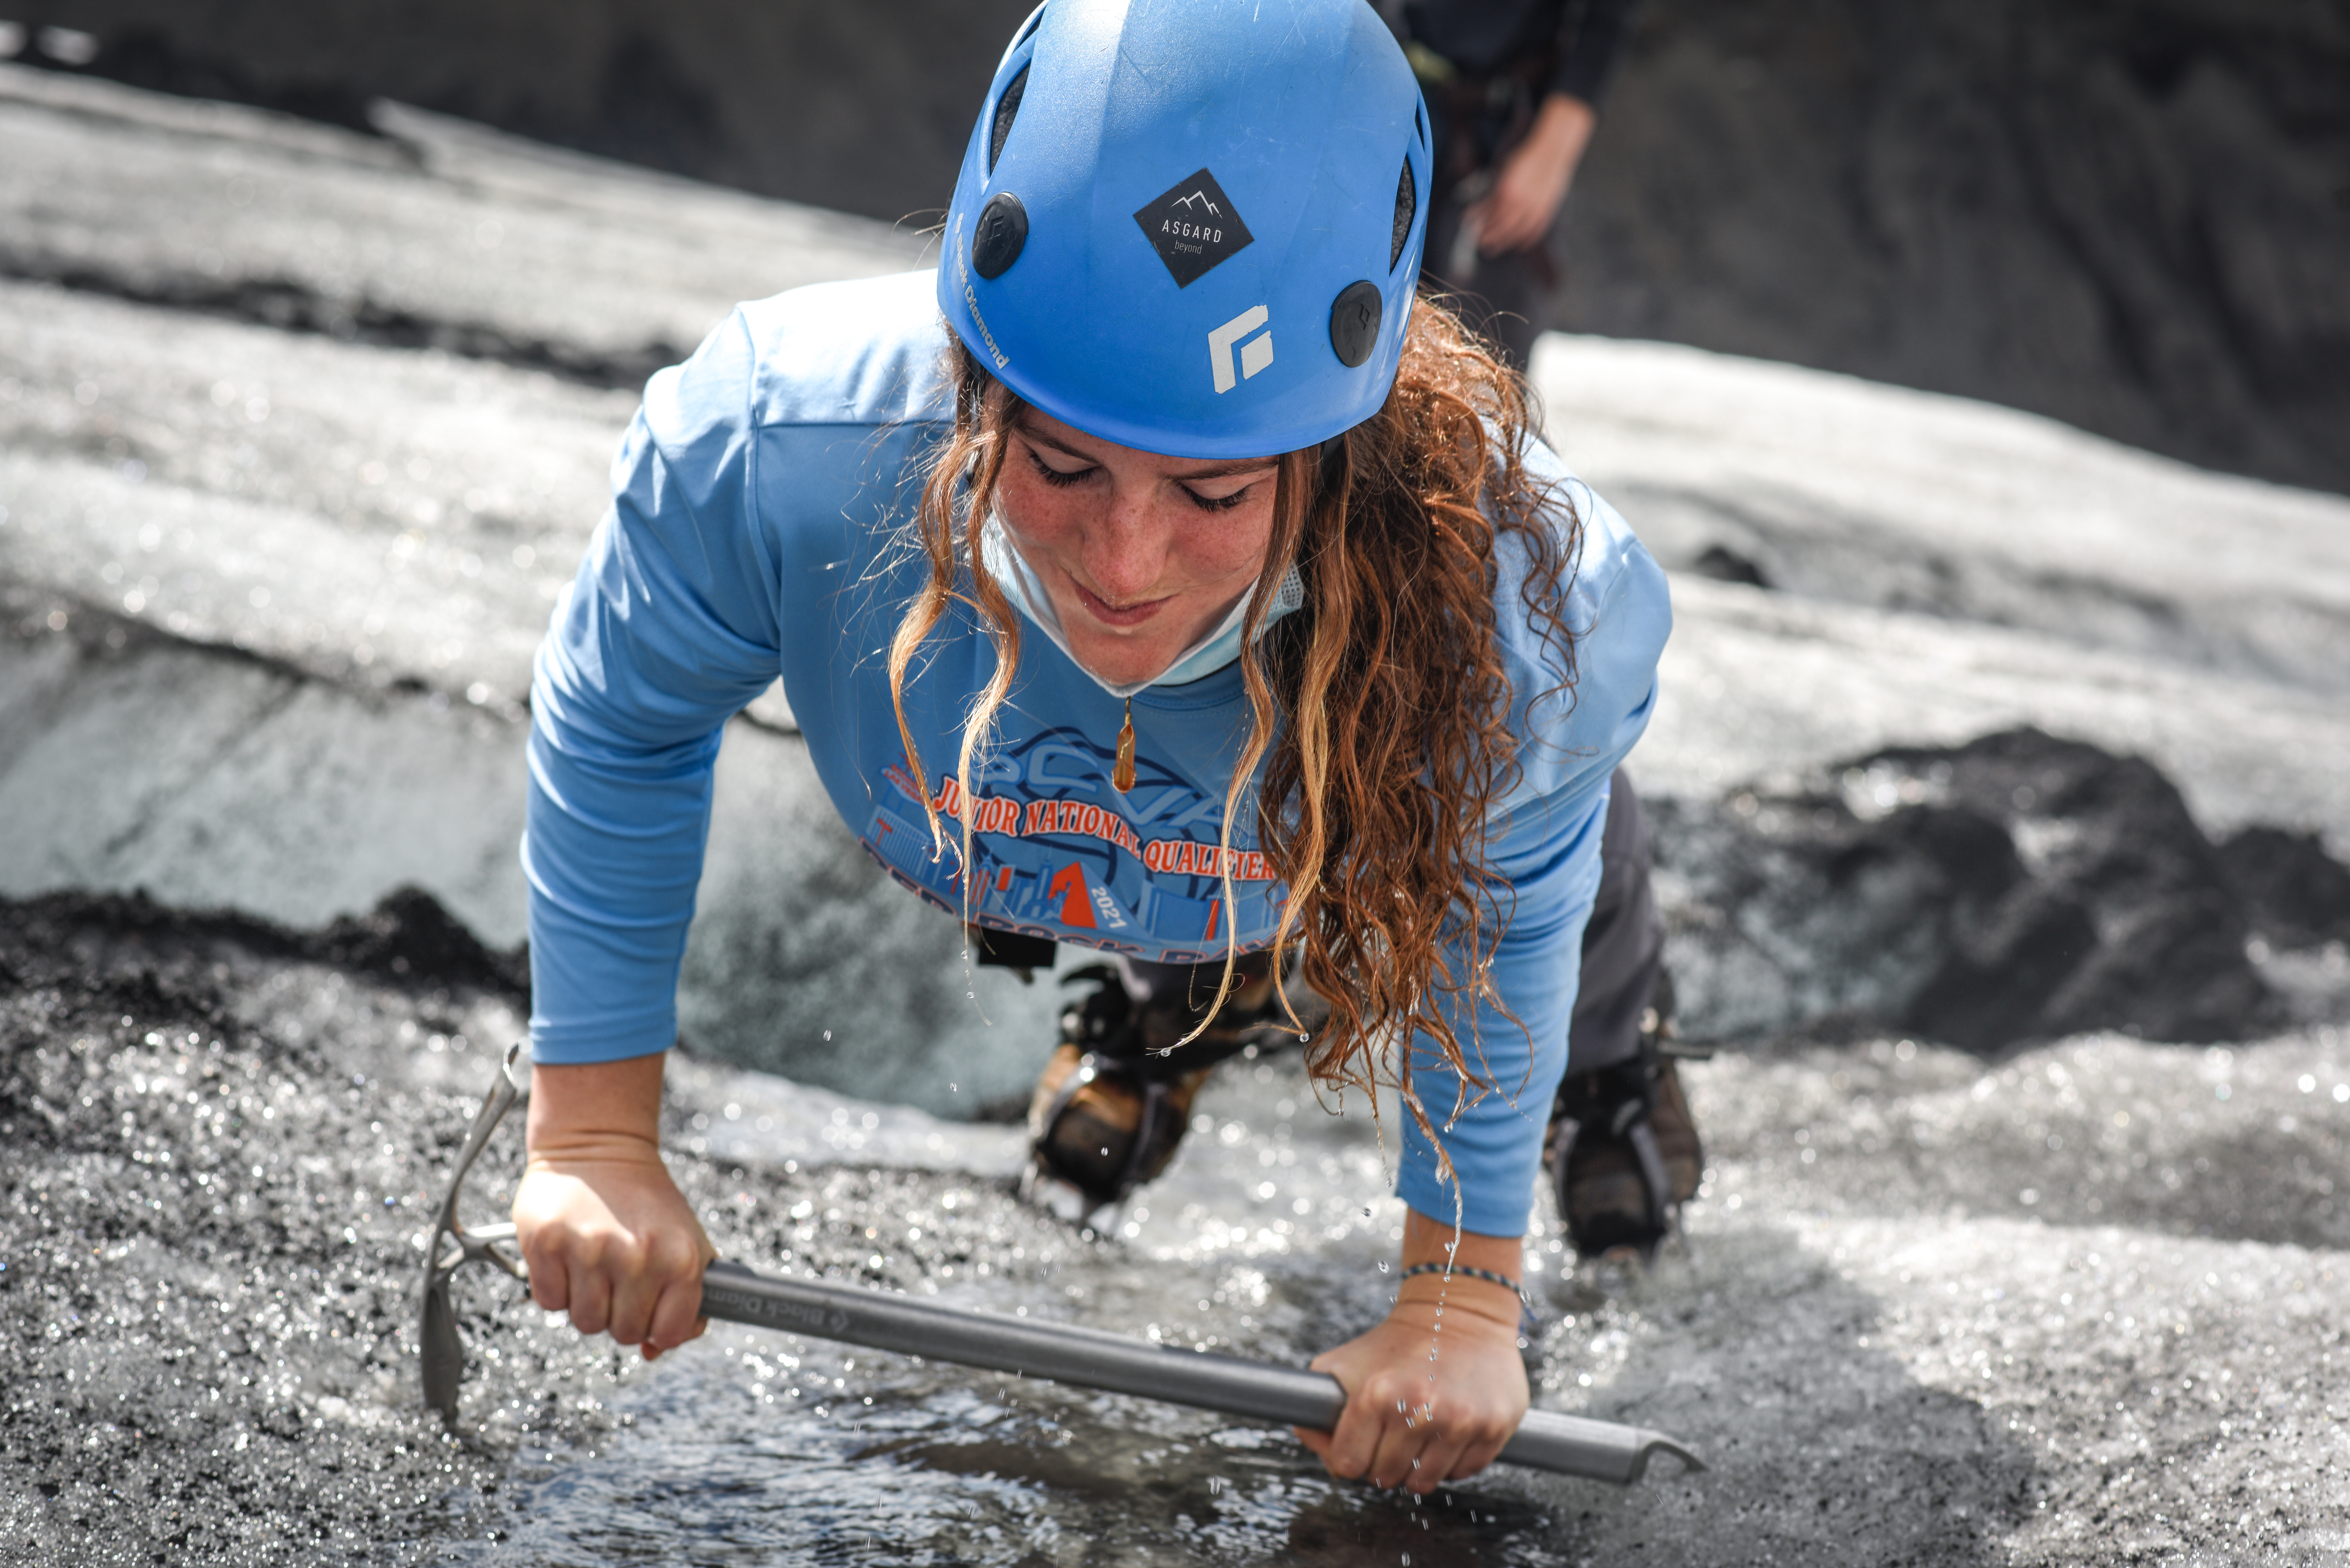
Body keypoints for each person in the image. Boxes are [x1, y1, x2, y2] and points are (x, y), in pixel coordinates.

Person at [511, 0, 1688, 1495]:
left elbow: (1505, 903)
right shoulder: (766, 448)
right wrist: (593, 1131)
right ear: (972, 382)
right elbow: (623, 716)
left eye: (1212, 493)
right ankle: (1191, 979)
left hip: (1381, 780)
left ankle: (1603, 1068)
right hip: (1164, 833)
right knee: (1175, 810)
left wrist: (1458, 1293)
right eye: (1060, 462)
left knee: (1494, 819)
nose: (1124, 561)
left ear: (1334, 453)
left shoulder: (1524, 610)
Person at [1392, 0, 1643, 369]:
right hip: (1380, 104)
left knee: (1483, 380)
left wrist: (1553, 151)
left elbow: (1608, 15)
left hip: (1506, 133)